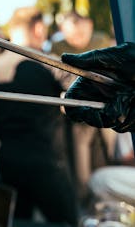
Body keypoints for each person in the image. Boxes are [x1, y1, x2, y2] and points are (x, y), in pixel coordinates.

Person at [0, 7, 78, 224]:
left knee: (16, 221)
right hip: (46, 161)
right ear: (38, 28)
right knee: (67, 221)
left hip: (7, 161)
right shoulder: (46, 61)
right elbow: (78, 97)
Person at [51, 11, 116, 202]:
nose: (77, 39)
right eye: (71, 35)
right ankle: (83, 198)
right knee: (80, 156)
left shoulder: (102, 40)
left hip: (106, 104)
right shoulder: (58, 47)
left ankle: (107, 193)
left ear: (89, 25)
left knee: (110, 150)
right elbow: (58, 75)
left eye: (81, 34)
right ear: (63, 31)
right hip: (79, 107)